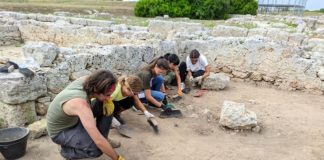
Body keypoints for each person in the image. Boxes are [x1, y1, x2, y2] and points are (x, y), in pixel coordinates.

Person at [46, 70, 124, 160]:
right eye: (107, 95)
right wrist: (118, 158)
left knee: (106, 105)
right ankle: (66, 151)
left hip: (73, 118)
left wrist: (106, 99)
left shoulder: (89, 80)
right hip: (61, 132)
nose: (109, 97)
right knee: (97, 149)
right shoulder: (81, 105)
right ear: (96, 89)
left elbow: (103, 97)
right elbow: (98, 141)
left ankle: (105, 139)